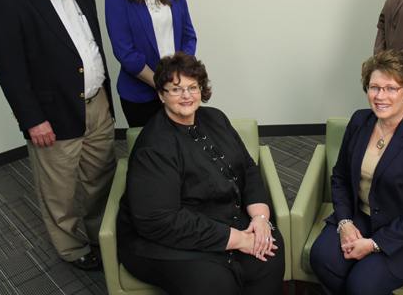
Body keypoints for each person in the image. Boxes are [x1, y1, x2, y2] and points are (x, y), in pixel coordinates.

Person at [0, 0, 116, 271]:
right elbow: (9, 70)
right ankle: (73, 249)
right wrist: (32, 119)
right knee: (58, 192)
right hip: (53, 115)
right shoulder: (9, 0)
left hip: (98, 105)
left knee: (101, 179)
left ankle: (101, 236)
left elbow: (90, 47)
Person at [116, 52, 285, 295]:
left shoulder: (215, 118)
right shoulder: (154, 147)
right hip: (163, 241)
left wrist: (260, 219)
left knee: (269, 255)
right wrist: (238, 239)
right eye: (175, 89)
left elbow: (247, 166)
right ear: (161, 95)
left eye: (192, 87)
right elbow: (161, 220)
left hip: (225, 218)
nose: (186, 95)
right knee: (216, 282)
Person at [310, 50, 403, 295]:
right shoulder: (359, 122)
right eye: (374, 87)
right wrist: (344, 222)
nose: (380, 96)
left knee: (362, 284)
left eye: (391, 89)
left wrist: (375, 243)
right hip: (362, 215)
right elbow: (341, 176)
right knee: (323, 258)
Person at [105, 0, 196, 128]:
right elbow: (125, 52)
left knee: (182, 150)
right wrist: (163, 84)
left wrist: (179, 79)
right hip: (140, 96)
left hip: (178, 90)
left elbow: (188, 36)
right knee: (149, 155)